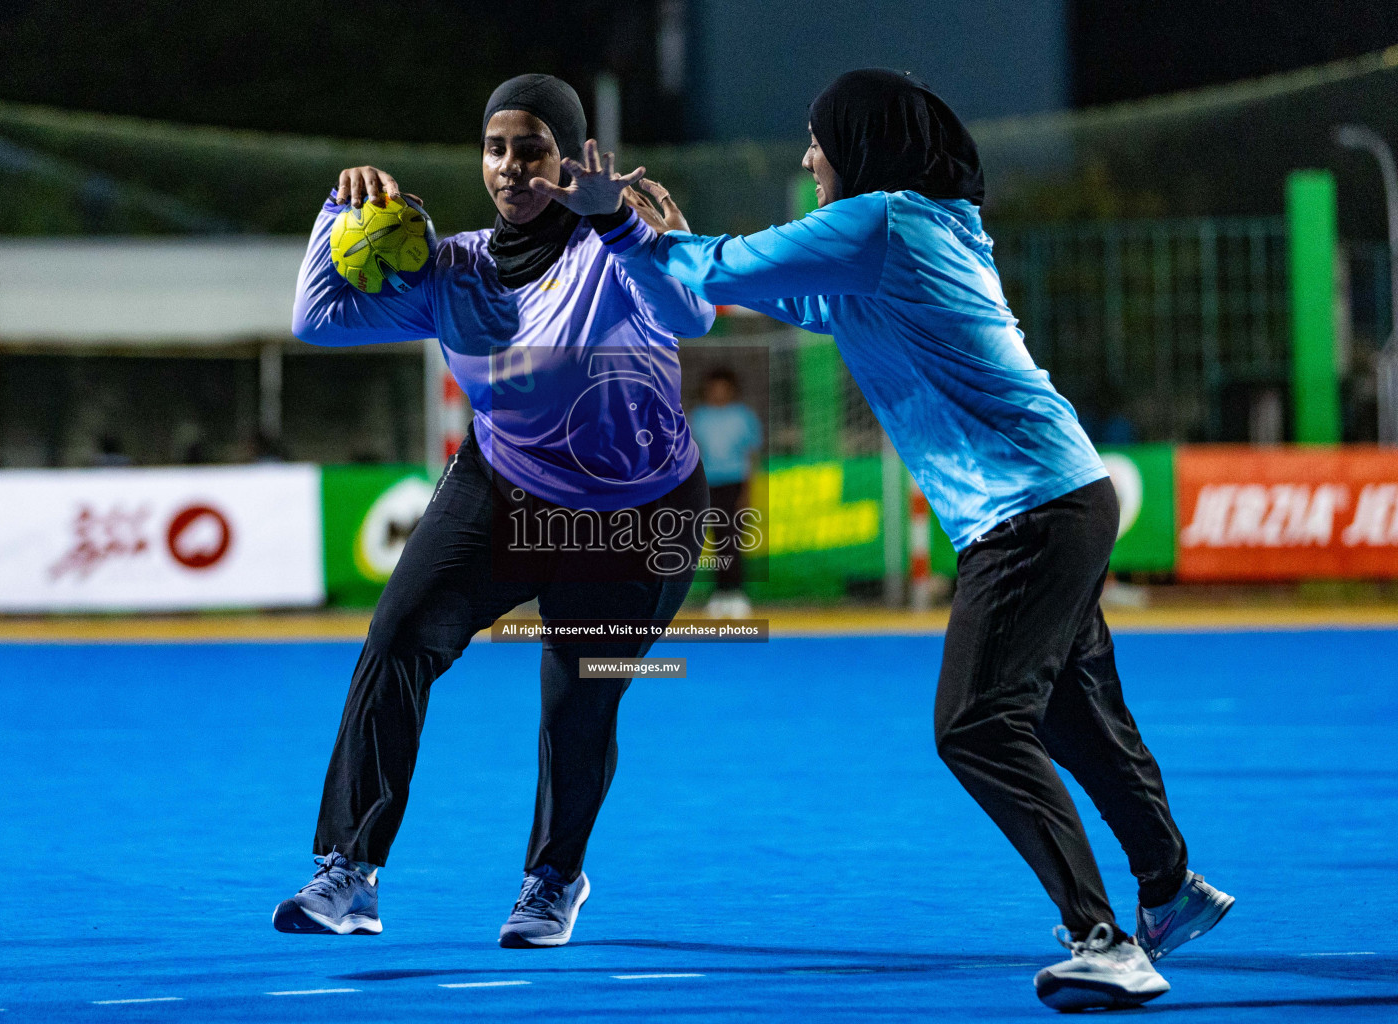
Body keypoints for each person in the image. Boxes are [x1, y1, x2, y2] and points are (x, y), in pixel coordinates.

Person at [541, 69, 1234, 1011]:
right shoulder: (908, 237)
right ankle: (1170, 888)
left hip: (1027, 513)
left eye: (817, 137)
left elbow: (723, 267)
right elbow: (719, 288)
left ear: (862, 144)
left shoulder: (884, 224)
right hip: (1062, 495)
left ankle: (1102, 940)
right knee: (1072, 713)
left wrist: (620, 223)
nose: (806, 156)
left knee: (977, 725)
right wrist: (647, 242)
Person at [277, 73, 714, 948]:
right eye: (496, 148)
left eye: (533, 149)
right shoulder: (453, 265)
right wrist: (340, 209)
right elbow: (317, 317)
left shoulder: (614, 251)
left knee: (578, 697)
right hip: (501, 483)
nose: (511, 167)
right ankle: (348, 873)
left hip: (635, 511)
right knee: (397, 642)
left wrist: (625, 226)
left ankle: (554, 880)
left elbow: (692, 312)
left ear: (571, 159)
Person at [688, 367, 761, 617]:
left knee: (734, 539)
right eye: (713, 387)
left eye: (723, 387)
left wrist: (747, 492)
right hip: (706, 486)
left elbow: (751, 455)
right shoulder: (697, 417)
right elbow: (691, 456)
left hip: (735, 483)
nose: (718, 392)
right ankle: (719, 594)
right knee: (715, 541)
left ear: (730, 389)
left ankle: (737, 594)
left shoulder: (743, 416)